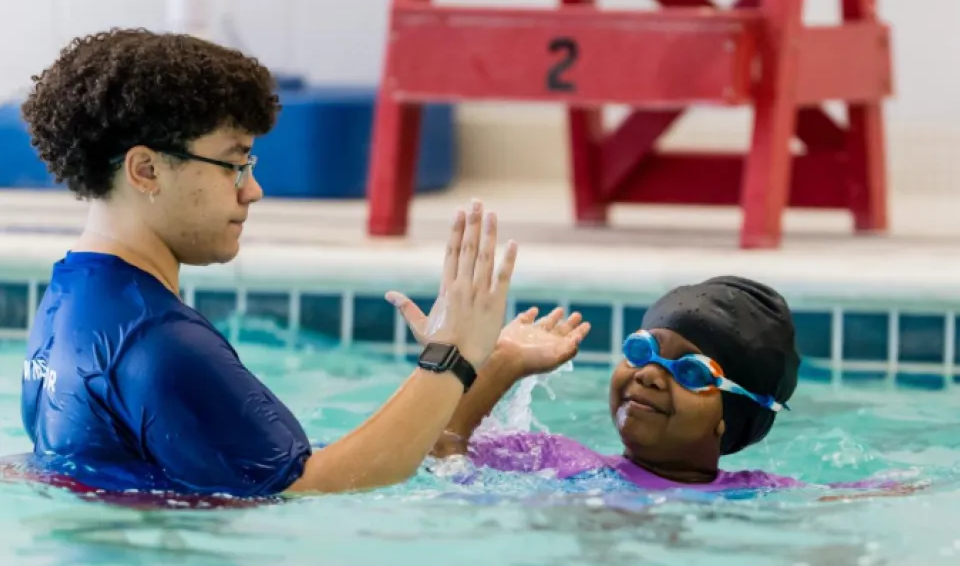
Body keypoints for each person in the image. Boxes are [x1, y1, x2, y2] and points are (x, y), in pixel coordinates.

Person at [16, 28, 589, 500]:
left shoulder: (70, 301)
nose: (253, 190)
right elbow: (317, 489)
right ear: (145, 171)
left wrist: (472, 362)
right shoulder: (160, 345)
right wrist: (451, 354)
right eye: (233, 165)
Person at [391, 275, 923, 497]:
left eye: (691, 372)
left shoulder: (759, 495)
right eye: (642, 350)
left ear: (730, 418)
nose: (648, 373)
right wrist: (502, 364)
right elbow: (438, 452)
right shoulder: (547, 458)